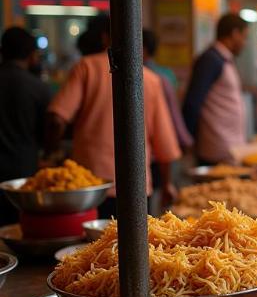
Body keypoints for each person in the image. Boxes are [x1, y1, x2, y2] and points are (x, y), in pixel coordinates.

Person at [46, 14, 181, 218]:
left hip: (90, 186)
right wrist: (168, 183)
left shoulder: (86, 67)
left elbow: (57, 117)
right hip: (136, 185)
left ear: (104, 38)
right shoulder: (152, 80)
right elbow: (164, 142)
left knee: (91, 247)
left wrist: (51, 152)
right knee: (134, 247)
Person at [0, 27, 51, 225]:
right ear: (32, 55)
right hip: (24, 170)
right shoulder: (38, 88)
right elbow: (46, 129)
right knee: (20, 227)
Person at [182, 14, 248, 165]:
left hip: (229, 147)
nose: (245, 43)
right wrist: (188, 139)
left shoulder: (224, 59)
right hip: (216, 149)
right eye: (244, 37)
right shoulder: (210, 60)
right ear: (234, 33)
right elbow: (192, 103)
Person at [143, 29, 192, 151]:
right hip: (161, 143)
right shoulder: (166, 74)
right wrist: (184, 140)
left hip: (152, 144)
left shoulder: (152, 77)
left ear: (142, 49)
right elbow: (174, 111)